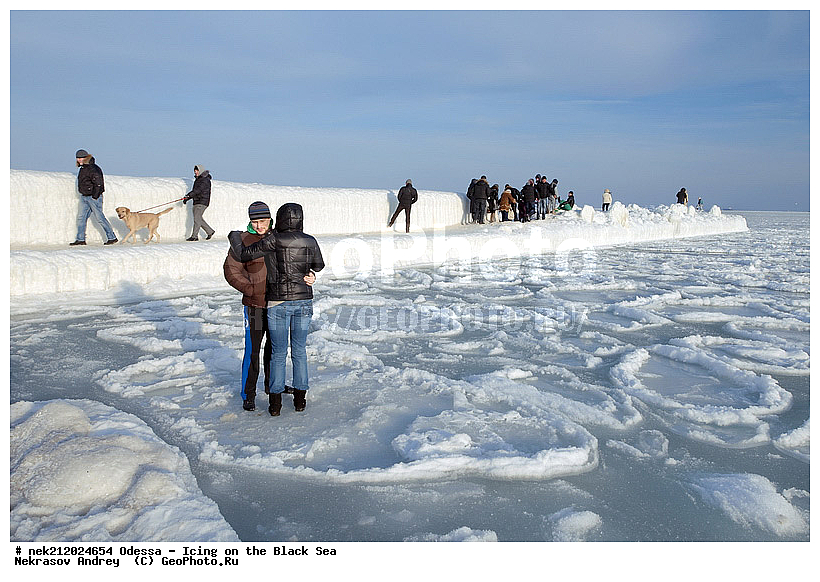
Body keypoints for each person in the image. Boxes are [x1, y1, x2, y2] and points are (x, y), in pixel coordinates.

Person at [229, 203, 325, 416]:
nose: (259, 225)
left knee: (276, 352)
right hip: (267, 303)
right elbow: (231, 272)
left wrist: (311, 275)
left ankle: (275, 397)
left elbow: (303, 265)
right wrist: (251, 289)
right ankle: (257, 395)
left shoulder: (276, 238)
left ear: (274, 220)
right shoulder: (246, 239)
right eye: (255, 222)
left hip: (276, 303)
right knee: (262, 351)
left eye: (263, 221)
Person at [70, 149, 118, 246]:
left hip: (93, 197)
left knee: (100, 218)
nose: (79, 160)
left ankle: (112, 237)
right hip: (84, 197)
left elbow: (99, 184)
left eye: (81, 158)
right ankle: (80, 239)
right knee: (81, 218)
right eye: (78, 158)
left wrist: (95, 196)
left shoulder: (93, 168)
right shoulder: (83, 168)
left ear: (86, 157)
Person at [183, 165, 215, 241]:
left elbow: (198, 190)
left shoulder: (204, 180)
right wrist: (187, 198)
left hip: (202, 201)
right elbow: (196, 191)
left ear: (200, 171)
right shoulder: (199, 179)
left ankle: (194, 236)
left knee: (197, 219)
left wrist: (188, 196)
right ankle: (210, 231)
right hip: (197, 201)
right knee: (199, 218)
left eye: (197, 171)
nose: (195, 172)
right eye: (195, 171)